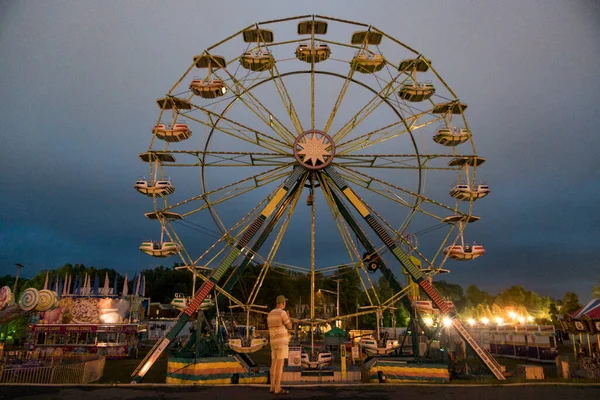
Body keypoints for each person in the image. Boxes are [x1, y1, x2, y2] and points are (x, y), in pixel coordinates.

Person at [268, 295, 292, 395]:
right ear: (282, 303)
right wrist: (289, 318)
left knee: (273, 364)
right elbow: (289, 326)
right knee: (280, 366)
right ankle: (278, 388)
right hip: (281, 342)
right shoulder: (283, 313)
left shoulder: (270, 314)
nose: (285, 304)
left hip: (273, 341)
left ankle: (272, 386)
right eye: (285, 302)